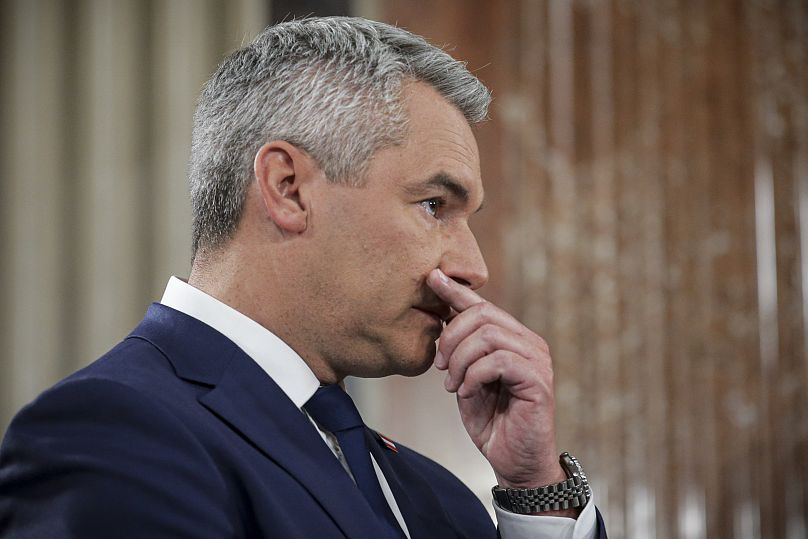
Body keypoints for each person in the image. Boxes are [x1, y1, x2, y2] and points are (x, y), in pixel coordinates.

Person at [0, 17, 606, 538]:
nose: (474, 267)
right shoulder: (115, 431)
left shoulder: (435, 497)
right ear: (288, 189)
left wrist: (533, 490)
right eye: (434, 206)